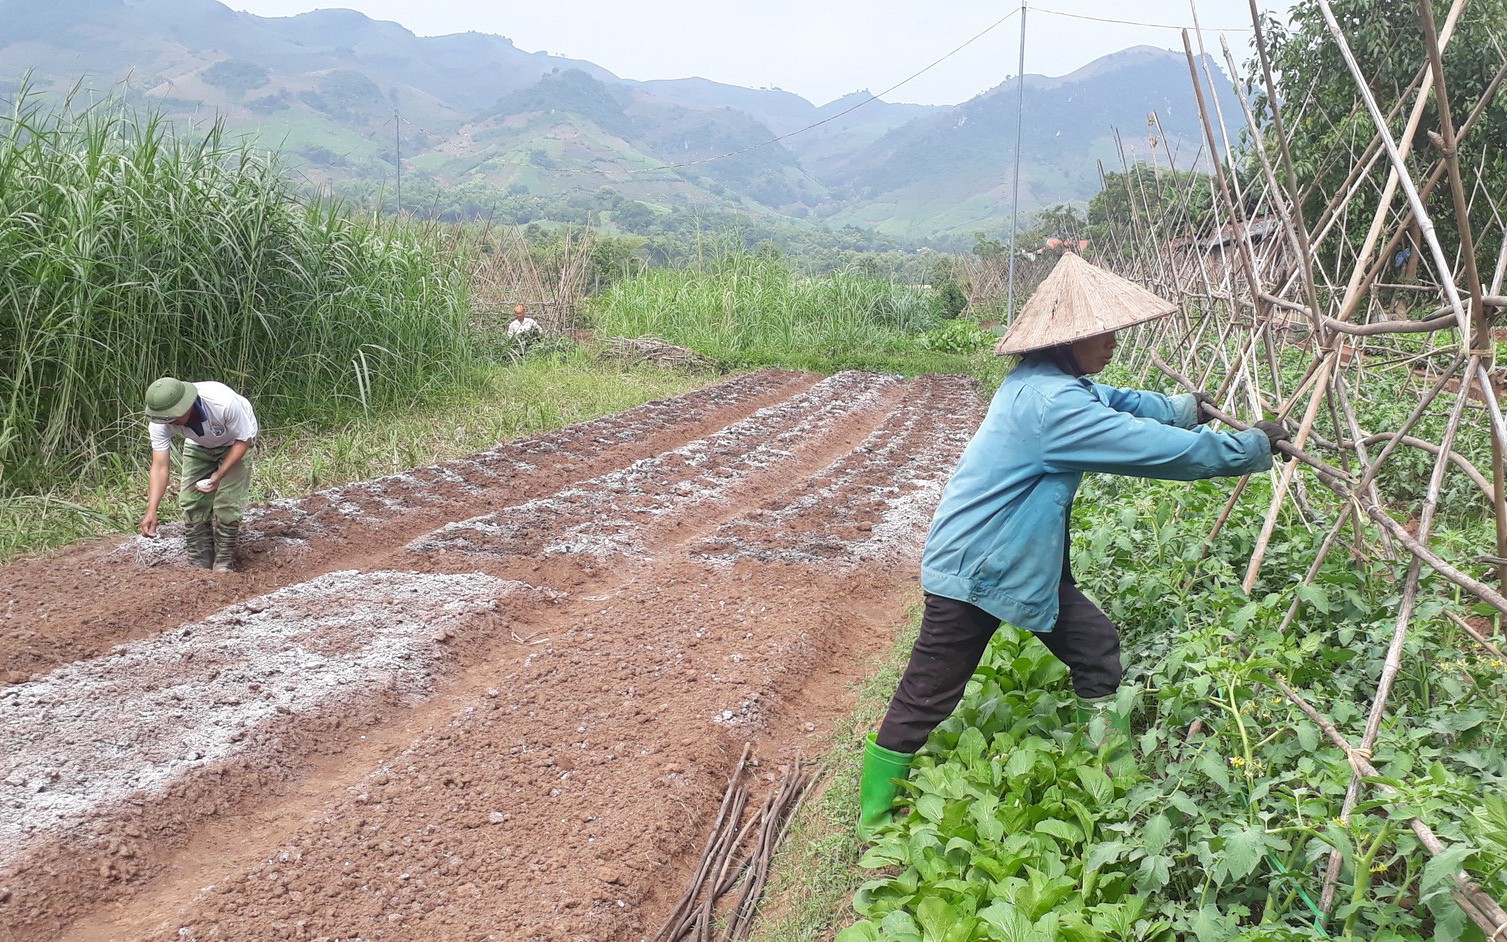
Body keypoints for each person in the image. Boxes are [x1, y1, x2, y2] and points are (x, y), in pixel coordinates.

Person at [857, 253, 1291, 840]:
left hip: (1020, 560)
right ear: (1070, 339)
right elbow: (1157, 452)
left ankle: (1109, 777)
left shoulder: (1048, 383)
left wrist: (1182, 409)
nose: (1111, 342)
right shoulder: (1053, 406)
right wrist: (1245, 448)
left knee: (1094, 645)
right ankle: (876, 816)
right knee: (930, 690)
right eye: (1101, 333)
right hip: (982, 567)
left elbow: (1118, 403)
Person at [139, 377, 260, 572]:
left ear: (187, 405)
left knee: (228, 502)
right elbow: (160, 466)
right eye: (166, 419)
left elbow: (243, 441)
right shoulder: (160, 423)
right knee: (191, 501)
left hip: (237, 440)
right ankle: (200, 566)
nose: (171, 423)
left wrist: (219, 475)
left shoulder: (223, 403)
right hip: (198, 444)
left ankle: (223, 564)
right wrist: (152, 509)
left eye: (174, 417)